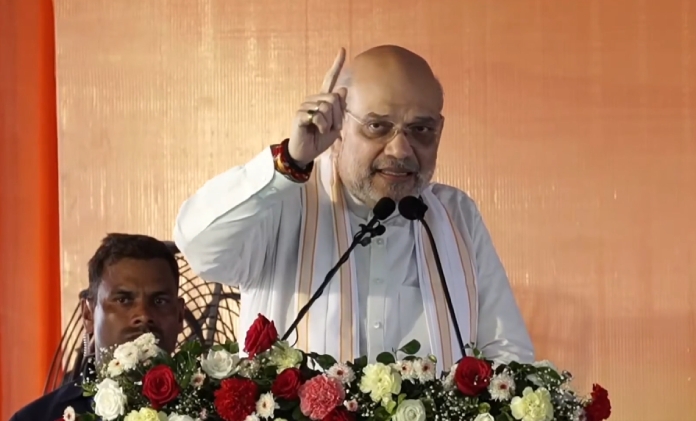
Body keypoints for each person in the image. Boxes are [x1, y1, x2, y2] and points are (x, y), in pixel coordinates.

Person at [174, 45, 534, 369]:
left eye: (421, 130)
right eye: (378, 126)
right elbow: (202, 248)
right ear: (340, 126)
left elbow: (508, 354)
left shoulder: (455, 215)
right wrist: (291, 161)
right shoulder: (284, 202)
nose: (400, 150)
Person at [10, 233, 184, 421]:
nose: (144, 315)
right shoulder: (36, 418)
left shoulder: (208, 409)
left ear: (180, 315)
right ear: (88, 315)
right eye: (123, 300)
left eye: (159, 301)